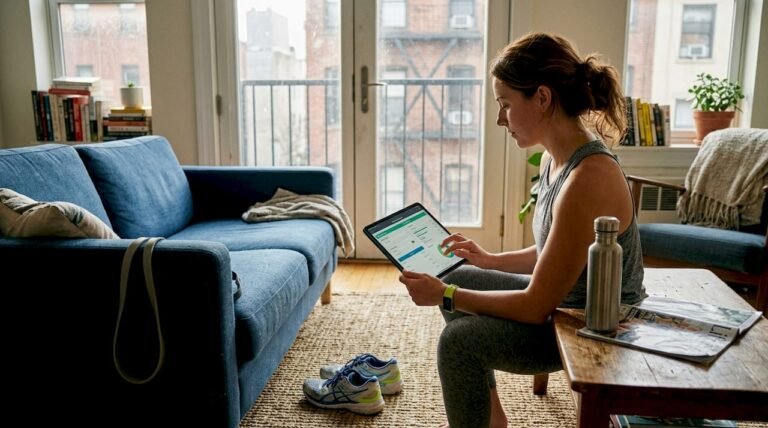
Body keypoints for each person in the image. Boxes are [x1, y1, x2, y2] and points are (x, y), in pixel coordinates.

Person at [399, 32, 647, 428]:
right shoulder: (556, 158)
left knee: (458, 340)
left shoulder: (589, 176)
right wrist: (488, 259)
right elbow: (557, 253)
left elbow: (535, 306)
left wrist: (443, 295)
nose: (500, 119)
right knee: (459, 273)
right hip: (565, 304)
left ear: (543, 99)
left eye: (506, 105)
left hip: (593, 323)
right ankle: (490, 419)